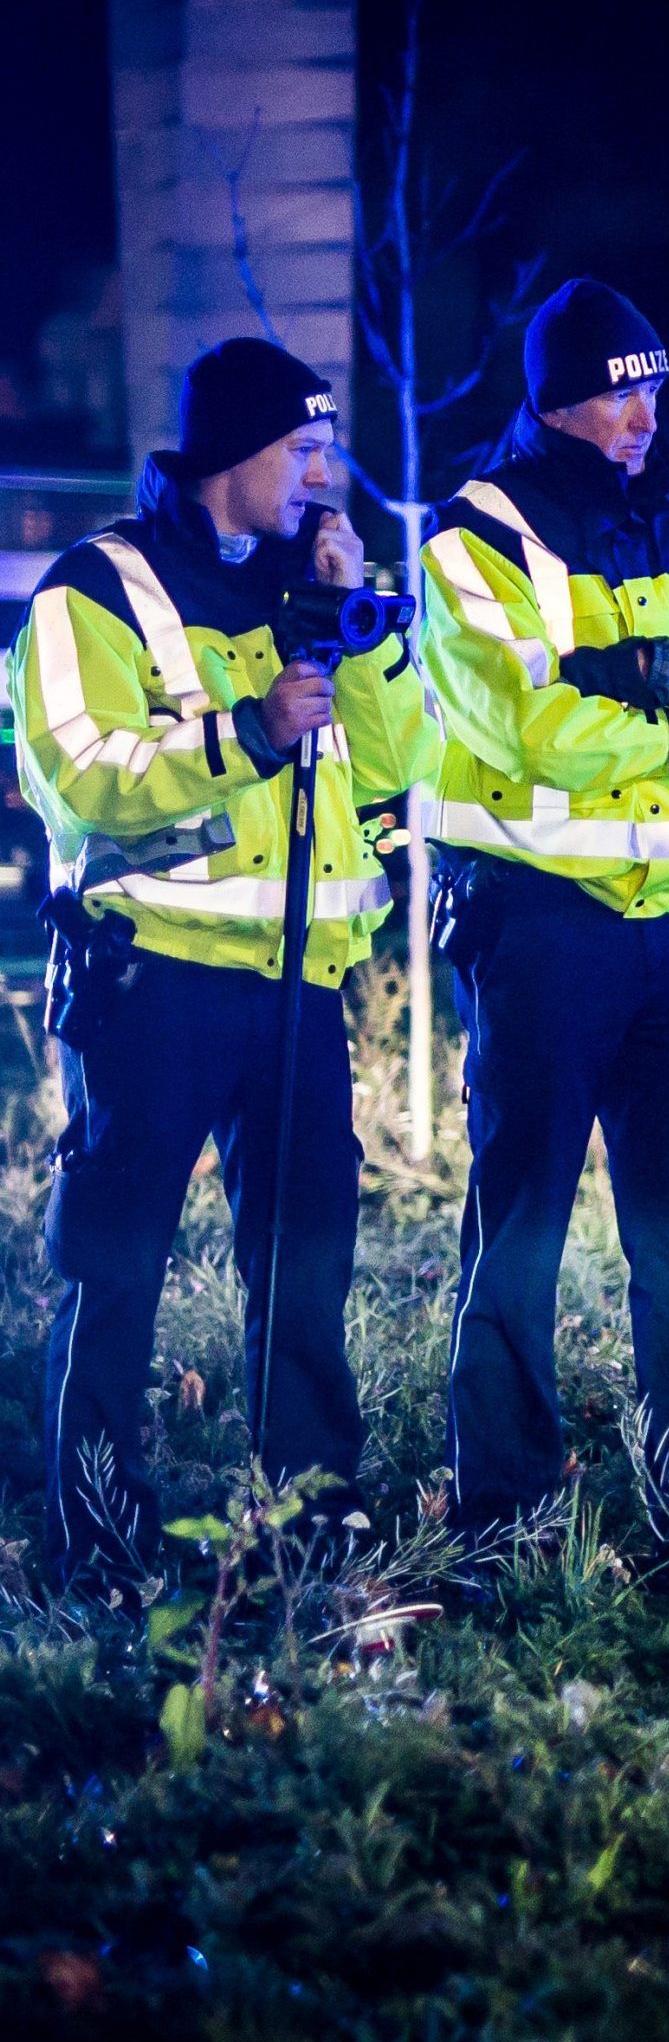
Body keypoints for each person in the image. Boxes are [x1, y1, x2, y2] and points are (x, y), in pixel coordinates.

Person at [9, 338, 438, 1579]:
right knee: (112, 1260)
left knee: (306, 1262)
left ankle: (310, 1514)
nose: (320, 474)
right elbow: (80, 776)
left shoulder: (313, 578)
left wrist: (363, 629)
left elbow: (400, 758)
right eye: (301, 450)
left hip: (300, 981)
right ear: (236, 453)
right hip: (152, 981)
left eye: (324, 452)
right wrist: (247, 731)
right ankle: (97, 1534)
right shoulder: (97, 584)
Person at [416, 279, 669, 1539]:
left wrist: (659, 673)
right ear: (556, 398)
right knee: (522, 1227)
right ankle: (505, 1507)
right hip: (540, 928)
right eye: (615, 391)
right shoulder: (474, 534)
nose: (642, 414)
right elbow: (532, 726)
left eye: (651, 388)